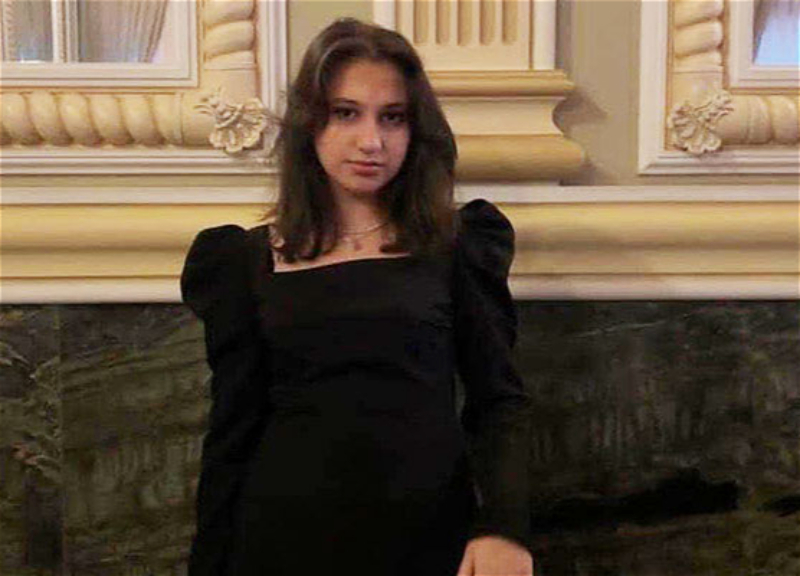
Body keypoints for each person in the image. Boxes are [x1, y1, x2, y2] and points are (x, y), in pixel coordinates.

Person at [180, 17, 534, 576]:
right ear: (310, 122)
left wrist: (505, 528)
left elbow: (499, 402)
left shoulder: (458, 246)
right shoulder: (242, 262)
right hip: (279, 546)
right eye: (346, 113)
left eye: (392, 117)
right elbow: (231, 436)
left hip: (429, 540)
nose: (372, 141)